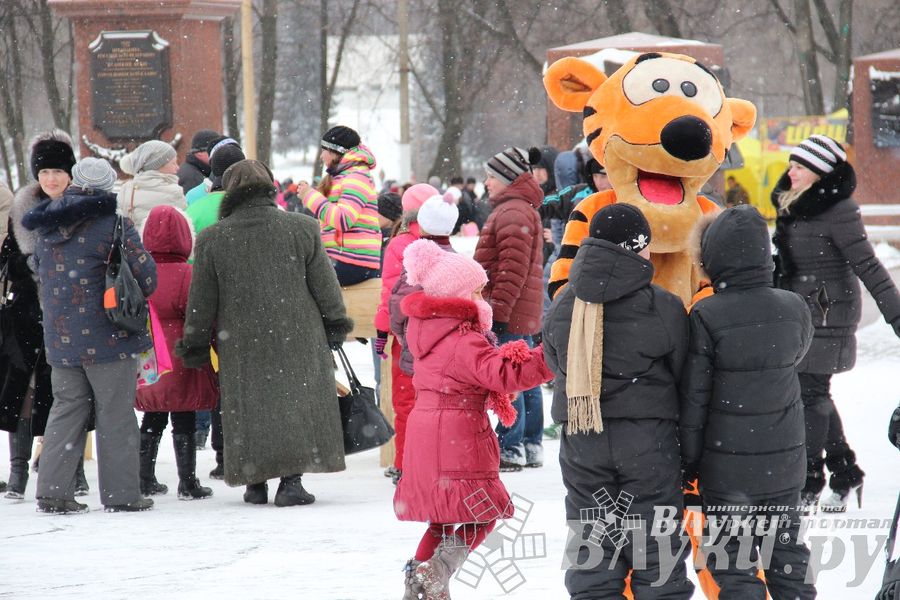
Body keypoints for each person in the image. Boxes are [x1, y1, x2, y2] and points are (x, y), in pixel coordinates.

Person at [176, 160, 353, 506]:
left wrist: (195, 343)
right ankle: (291, 482)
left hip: (241, 338)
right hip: (298, 332)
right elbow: (325, 285)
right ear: (271, 188)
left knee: (249, 404)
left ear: (229, 193)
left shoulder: (213, 237)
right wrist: (335, 323)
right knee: (293, 402)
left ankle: (254, 481)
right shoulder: (302, 227)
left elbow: (202, 300)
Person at [543, 204, 694, 599]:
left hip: (582, 438)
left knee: (593, 545)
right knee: (656, 548)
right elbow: (683, 369)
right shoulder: (662, 306)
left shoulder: (564, 304)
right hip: (648, 439)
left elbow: (554, 361)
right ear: (639, 247)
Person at [394, 238, 553, 600]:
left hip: (427, 431)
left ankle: (418, 582)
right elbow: (504, 374)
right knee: (485, 512)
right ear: (460, 296)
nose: (483, 299)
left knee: (442, 517)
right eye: (478, 292)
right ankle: (436, 571)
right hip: (456, 433)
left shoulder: (427, 330)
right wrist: (547, 356)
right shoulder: (462, 340)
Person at [681, 205, 816, 599]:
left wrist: (688, 460)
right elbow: (797, 357)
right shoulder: (793, 307)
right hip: (786, 461)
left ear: (712, 258)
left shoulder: (706, 314)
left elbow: (695, 397)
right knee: (788, 557)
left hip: (727, 469)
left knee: (733, 563)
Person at [771, 135, 900, 512]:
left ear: (819, 172)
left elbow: (868, 265)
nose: (790, 171)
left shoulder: (839, 210)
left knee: (810, 392)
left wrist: (896, 314)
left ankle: (810, 480)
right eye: (792, 165)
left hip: (829, 311)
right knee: (811, 391)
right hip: (799, 310)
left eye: (799, 167)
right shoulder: (793, 203)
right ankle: (845, 472)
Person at [24, 157, 157, 514]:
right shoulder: (115, 225)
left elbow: (38, 270)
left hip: (60, 337)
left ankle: (53, 492)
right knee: (115, 414)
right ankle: (122, 494)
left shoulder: (46, 226)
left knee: (66, 410)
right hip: (110, 337)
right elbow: (147, 280)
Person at [1, 130, 89, 500]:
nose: (50, 179)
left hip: (69, 314)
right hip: (25, 313)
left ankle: (74, 469)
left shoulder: (83, 209)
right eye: (44, 172)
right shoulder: (22, 212)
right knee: (21, 393)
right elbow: (9, 259)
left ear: (70, 173)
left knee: (68, 393)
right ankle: (18, 472)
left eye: (57, 171)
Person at [135, 205, 216, 500]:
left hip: (150, 355)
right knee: (184, 416)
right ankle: (188, 482)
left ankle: (144, 478)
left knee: (153, 417)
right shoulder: (189, 274)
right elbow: (199, 314)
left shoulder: (139, 273)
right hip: (181, 354)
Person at [474, 147, 545, 470]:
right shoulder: (517, 210)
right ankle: (531, 444)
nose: (486, 182)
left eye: (491, 176)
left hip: (510, 312)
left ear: (506, 178)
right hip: (522, 311)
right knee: (527, 378)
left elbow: (510, 271)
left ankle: (511, 445)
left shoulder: (512, 213)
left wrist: (497, 314)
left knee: (511, 379)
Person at [373, 184, 441, 484]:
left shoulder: (400, 244)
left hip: (407, 333)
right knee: (437, 400)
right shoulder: (441, 242)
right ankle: (436, 460)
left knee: (405, 401)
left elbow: (391, 292)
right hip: (439, 332)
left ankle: (405, 464)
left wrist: (382, 328)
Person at [297, 126, 382, 286]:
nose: (321, 156)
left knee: (296, 279)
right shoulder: (343, 176)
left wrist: (310, 196)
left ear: (336, 152)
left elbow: (343, 220)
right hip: (342, 258)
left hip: (353, 261)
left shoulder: (356, 177)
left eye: (324, 150)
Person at [117, 140, 186, 227]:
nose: (177, 167)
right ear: (157, 166)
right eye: (173, 163)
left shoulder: (127, 190)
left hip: (133, 240)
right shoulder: (174, 193)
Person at [177, 129, 219, 194]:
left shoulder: (197, 171)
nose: (219, 154)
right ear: (199, 153)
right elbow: (199, 202)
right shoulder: (192, 177)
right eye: (214, 151)